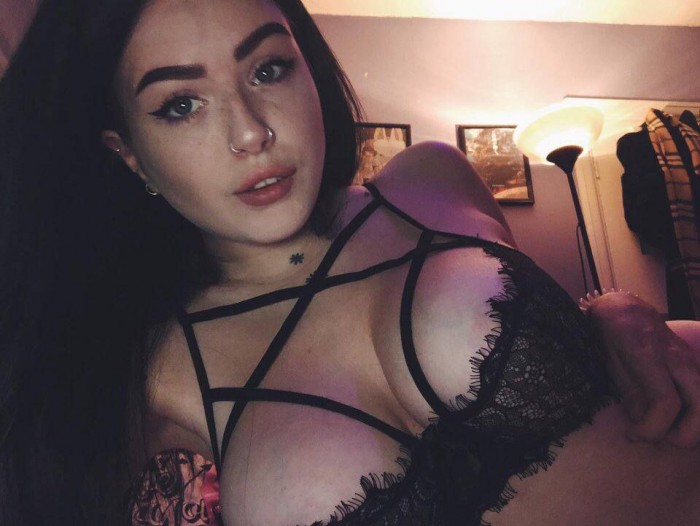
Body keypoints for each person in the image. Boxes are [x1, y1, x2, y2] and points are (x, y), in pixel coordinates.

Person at [0, 1, 698, 525]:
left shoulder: (432, 178)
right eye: (181, 104)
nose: (251, 131)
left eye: (268, 69)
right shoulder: (152, 377)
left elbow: (570, 355)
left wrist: (607, 310)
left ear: (309, 67)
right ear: (127, 153)